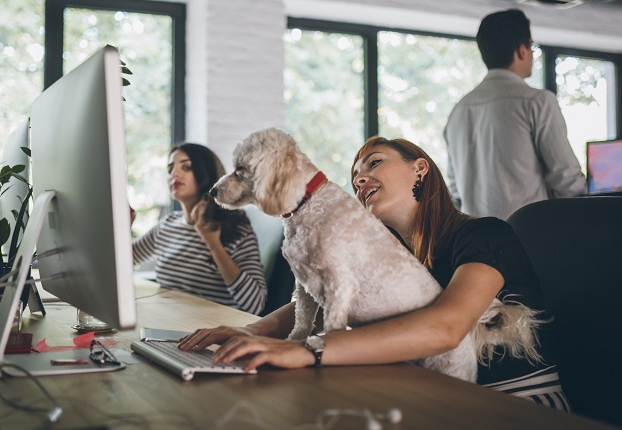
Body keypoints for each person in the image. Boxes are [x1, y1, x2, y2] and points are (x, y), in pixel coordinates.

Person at [178, 136, 571, 411]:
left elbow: (446, 329)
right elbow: (316, 294)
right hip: (428, 393)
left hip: (513, 402)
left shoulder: (484, 235)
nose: (359, 178)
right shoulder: (390, 251)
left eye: (375, 162)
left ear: (420, 170)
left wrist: (308, 350)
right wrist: (254, 332)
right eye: (354, 175)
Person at [444, 9, 586, 220]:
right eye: (532, 47)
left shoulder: (457, 111)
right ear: (522, 49)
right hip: (529, 240)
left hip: (474, 242)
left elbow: (455, 190)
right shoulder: (536, 101)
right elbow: (566, 179)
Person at [132, 143, 267, 315]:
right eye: (170, 169)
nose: (174, 173)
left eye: (186, 167)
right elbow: (122, 261)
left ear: (206, 174)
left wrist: (214, 245)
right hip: (167, 321)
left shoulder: (236, 229)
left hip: (210, 330)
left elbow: (255, 305)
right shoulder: (168, 225)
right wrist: (124, 226)